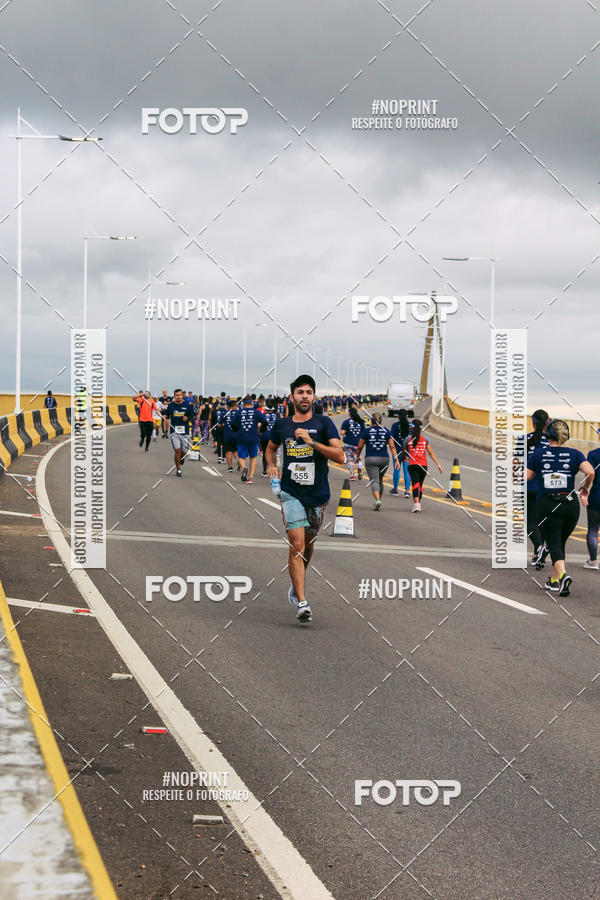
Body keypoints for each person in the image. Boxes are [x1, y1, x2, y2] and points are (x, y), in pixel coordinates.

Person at [266, 375, 344, 623]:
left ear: (314, 397)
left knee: (308, 544)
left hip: (318, 494)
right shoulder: (282, 425)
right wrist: (271, 465)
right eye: (300, 392)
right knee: (297, 545)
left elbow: (340, 456)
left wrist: (313, 443)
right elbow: (270, 448)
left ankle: (296, 582)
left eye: (309, 392)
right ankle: (302, 602)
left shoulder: (324, 423)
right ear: (292, 397)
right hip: (291, 492)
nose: (304, 396)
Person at [527, 419, 594, 595]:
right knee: (559, 542)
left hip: (548, 503)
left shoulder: (539, 454)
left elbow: (526, 477)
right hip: (571, 504)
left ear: (548, 435)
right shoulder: (575, 453)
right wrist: (585, 489)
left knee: (554, 542)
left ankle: (563, 576)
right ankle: (555, 580)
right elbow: (590, 471)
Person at [521, 409, 550, 567]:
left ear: (532, 422)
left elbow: (516, 463)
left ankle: (538, 548)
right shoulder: (551, 442)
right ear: (548, 423)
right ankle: (537, 555)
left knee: (530, 522)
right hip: (545, 488)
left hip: (528, 486)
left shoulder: (523, 440)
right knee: (542, 522)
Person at [355, 412, 400, 510]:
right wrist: (396, 459)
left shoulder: (366, 431)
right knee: (380, 480)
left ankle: (377, 501)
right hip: (384, 459)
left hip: (371, 458)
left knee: (374, 480)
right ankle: (379, 500)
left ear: (371, 421)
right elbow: (392, 446)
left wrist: (357, 456)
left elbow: (360, 446)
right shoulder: (386, 431)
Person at [403, 419, 443, 512]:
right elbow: (431, 453)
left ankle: (417, 504)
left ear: (411, 428)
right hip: (423, 466)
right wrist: (438, 465)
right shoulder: (426, 439)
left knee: (415, 484)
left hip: (413, 465)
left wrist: (405, 458)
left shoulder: (408, 439)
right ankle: (418, 503)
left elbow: (404, 450)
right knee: (420, 485)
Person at [230, 395, 268, 484]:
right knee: (253, 457)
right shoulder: (256, 412)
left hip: (241, 436)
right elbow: (265, 422)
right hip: (254, 437)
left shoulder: (239, 412)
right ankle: (250, 477)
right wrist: (261, 430)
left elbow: (232, 422)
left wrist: (236, 429)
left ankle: (244, 467)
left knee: (241, 456)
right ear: (252, 403)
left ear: (243, 404)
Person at [164, 388, 192, 476]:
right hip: (174, 432)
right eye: (177, 395)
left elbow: (192, 415)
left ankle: (182, 458)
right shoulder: (171, 405)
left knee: (184, 452)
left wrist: (187, 418)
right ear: (174, 396)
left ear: (182, 396)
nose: (178, 397)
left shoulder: (187, 405)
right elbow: (167, 414)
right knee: (177, 450)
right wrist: (165, 416)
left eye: (180, 395)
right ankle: (178, 469)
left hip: (185, 432)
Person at [584, 442, 600, 569]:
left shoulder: (593, 454)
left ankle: (593, 560)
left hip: (596, 495)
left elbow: (588, 474)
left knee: (593, 529)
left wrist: (585, 488)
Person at [390, 409, 412, 497]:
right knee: (407, 471)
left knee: (396, 470)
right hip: (407, 452)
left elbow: (391, 438)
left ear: (398, 416)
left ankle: (395, 489)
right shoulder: (411, 426)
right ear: (407, 416)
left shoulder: (395, 426)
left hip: (397, 451)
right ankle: (407, 491)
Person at [340, 406, 364, 481]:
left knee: (349, 459)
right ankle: (359, 468)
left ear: (350, 413)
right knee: (357, 457)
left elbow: (342, 433)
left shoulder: (346, 422)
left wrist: (347, 431)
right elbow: (364, 433)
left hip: (348, 443)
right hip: (358, 444)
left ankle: (352, 475)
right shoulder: (361, 422)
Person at [260, 401, 279, 476]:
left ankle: (265, 470)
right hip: (274, 436)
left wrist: (260, 431)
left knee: (265, 452)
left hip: (265, 435)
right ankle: (273, 468)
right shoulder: (276, 416)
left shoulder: (263, 415)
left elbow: (260, 425)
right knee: (273, 452)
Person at [223, 399, 240, 472]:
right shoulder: (239, 414)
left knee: (228, 451)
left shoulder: (225, 414)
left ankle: (230, 467)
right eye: (237, 405)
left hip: (227, 435)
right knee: (235, 451)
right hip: (236, 435)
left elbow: (220, 424)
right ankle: (240, 462)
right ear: (234, 406)